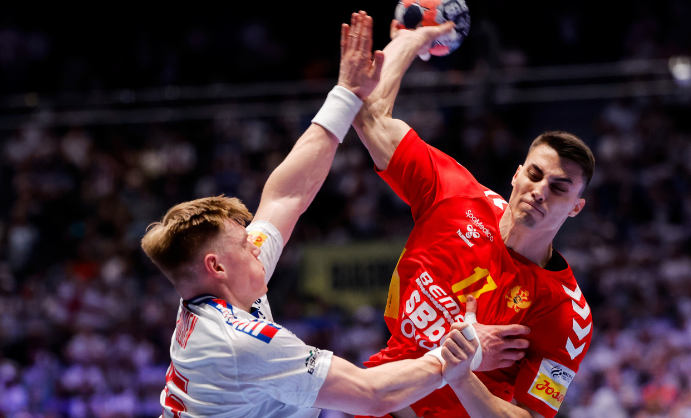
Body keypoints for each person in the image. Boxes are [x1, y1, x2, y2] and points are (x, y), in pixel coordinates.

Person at [140, 12, 484, 418]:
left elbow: (286, 195)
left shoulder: (224, 285)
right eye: (243, 243)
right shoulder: (238, 343)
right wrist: (461, 355)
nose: (255, 244)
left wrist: (346, 93)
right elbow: (372, 395)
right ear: (216, 266)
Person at [350, 20, 596, 418]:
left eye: (559, 188)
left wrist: (461, 375)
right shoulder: (454, 195)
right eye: (535, 175)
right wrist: (411, 40)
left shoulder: (566, 311)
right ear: (516, 175)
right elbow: (370, 118)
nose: (540, 191)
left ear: (575, 208)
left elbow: (530, 416)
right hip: (379, 401)